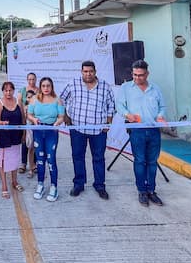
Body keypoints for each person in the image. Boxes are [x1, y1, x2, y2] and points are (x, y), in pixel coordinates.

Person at [60, 60, 115, 200]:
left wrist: (108, 123)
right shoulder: (73, 84)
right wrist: (65, 115)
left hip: (98, 131)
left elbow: (111, 106)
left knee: (99, 158)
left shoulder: (105, 87)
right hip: (77, 128)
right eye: (85, 71)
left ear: (95, 71)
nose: (88, 74)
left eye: (90, 71)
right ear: (81, 72)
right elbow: (61, 99)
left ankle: (100, 185)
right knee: (78, 157)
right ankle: (79, 184)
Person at [115, 60, 167, 207]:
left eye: (141, 75)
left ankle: (151, 190)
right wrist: (127, 115)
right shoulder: (126, 88)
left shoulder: (155, 88)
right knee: (139, 160)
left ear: (147, 74)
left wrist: (161, 115)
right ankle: (142, 191)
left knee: (152, 161)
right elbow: (119, 105)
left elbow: (162, 106)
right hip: (136, 130)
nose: (138, 78)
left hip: (154, 130)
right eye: (135, 75)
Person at [27, 77, 65, 202]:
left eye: (48, 86)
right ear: (40, 87)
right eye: (43, 86)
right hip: (38, 132)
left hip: (51, 133)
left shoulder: (57, 100)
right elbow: (29, 114)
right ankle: (40, 184)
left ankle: (54, 187)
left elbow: (61, 117)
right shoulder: (34, 99)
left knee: (51, 159)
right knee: (40, 160)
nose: (46, 88)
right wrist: (33, 120)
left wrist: (57, 123)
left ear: (52, 86)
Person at [0, 81, 25, 199]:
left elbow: (23, 119)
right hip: (4, 136)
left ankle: (14, 181)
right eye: (6, 90)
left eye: (10, 90)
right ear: (3, 91)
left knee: (15, 159)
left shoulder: (18, 102)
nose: (8, 92)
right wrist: (2, 123)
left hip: (16, 135)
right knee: (2, 161)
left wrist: (24, 133)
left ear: (13, 90)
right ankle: (4, 186)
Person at [19, 73, 39, 176]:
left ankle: (34, 166)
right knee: (25, 143)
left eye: (33, 79)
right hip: (26, 123)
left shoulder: (39, 90)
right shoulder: (23, 90)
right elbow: (20, 105)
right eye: (29, 79)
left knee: (34, 146)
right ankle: (23, 163)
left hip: (35, 124)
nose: (31, 81)